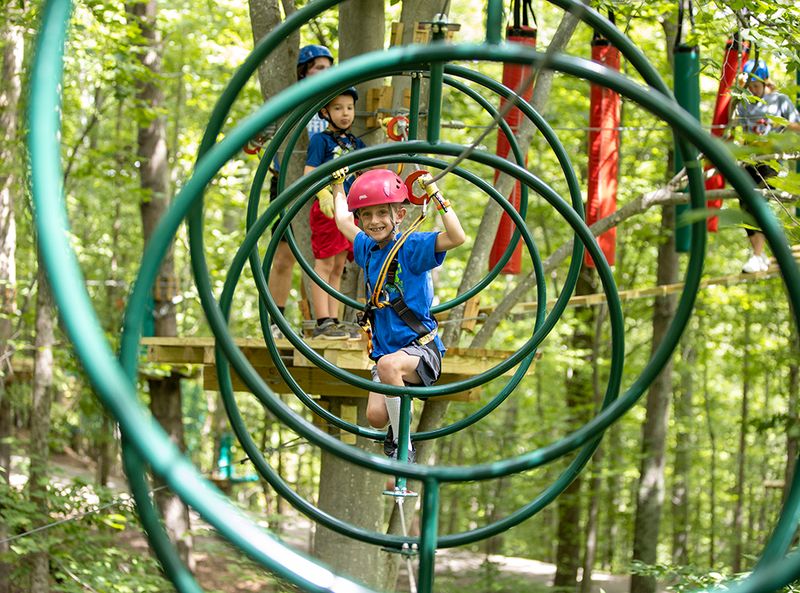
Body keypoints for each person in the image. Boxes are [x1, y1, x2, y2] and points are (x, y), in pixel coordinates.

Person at [332, 168, 465, 460]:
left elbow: (457, 237)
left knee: (390, 367)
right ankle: (397, 408)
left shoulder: (412, 247)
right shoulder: (367, 248)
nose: (374, 221)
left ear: (400, 216)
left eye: (382, 213)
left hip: (421, 351)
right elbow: (342, 219)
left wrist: (435, 193)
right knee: (375, 417)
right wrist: (338, 183)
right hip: (386, 354)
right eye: (366, 215)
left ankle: (402, 444)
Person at [248, 44, 334, 339]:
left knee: (319, 256)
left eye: (328, 67)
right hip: (288, 184)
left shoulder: (334, 103)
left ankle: (317, 320)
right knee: (286, 255)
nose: (325, 73)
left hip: (325, 188)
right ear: (303, 72)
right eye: (318, 68)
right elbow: (262, 133)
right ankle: (276, 321)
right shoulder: (289, 103)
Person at [305, 87, 366, 339]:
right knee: (325, 262)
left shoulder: (355, 143)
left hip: (348, 211)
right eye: (338, 108)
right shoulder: (322, 141)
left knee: (339, 265)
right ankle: (323, 320)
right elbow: (310, 173)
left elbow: (367, 171)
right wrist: (323, 194)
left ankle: (335, 319)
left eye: (349, 108)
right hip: (329, 209)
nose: (345, 113)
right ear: (325, 112)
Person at [735, 59, 800, 273]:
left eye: (756, 86)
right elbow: (743, 133)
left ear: (764, 82)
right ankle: (758, 254)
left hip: (770, 159)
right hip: (750, 159)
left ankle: (763, 252)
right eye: (750, 86)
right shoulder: (744, 103)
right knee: (745, 204)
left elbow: (796, 125)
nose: (753, 90)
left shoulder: (779, 100)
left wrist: (778, 130)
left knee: (762, 202)